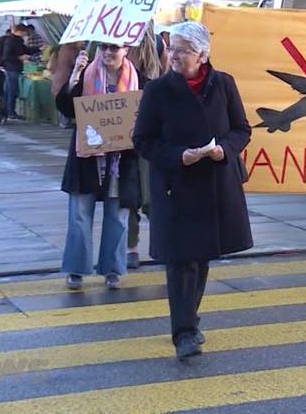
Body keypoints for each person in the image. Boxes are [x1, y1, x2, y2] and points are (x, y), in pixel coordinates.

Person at [133, 21, 253, 360]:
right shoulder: (158, 90)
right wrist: (177, 156)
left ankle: (191, 320)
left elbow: (242, 130)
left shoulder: (224, 84)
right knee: (180, 260)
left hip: (215, 183)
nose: (173, 55)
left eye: (182, 50)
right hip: (176, 186)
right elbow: (143, 141)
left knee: (199, 259)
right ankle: (183, 332)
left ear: (201, 54)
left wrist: (224, 150)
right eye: (171, 48)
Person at [56, 42, 144, 291]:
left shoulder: (140, 81)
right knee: (79, 215)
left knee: (117, 216)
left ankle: (113, 269)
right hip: (86, 159)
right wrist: (73, 78)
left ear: (126, 49)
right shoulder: (85, 74)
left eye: (114, 48)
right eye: (104, 48)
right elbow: (64, 107)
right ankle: (76, 269)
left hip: (120, 161)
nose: (108, 53)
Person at [124, 30, 164, 269]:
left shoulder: (156, 42)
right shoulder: (115, 41)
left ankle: (139, 246)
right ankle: (132, 247)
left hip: (145, 133)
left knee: (147, 194)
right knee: (133, 194)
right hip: (124, 132)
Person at [0, 24, 42, 120]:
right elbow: (6, 56)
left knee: (9, 90)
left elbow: (25, 50)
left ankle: (6, 111)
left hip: (13, 68)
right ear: (19, 31)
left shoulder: (17, 40)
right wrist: (19, 57)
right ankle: (10, 112)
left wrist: (39, 49)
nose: (25, 34)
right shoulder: (11, 41)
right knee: (12, 91)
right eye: (24, 32)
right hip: (11, 68)